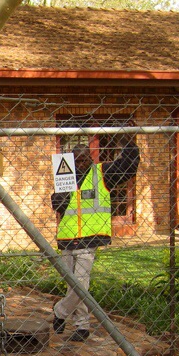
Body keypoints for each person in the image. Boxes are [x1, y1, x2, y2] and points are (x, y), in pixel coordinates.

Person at [50, 139, 140, 342]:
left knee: (80, 284)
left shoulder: (102, 173)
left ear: (91, 157)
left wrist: (129, 141)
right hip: (67, 238)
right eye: (76, 160)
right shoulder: (66, 177)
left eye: (83, 159)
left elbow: (127, 168)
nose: (80, 163)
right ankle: (82, 326)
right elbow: (58, 204)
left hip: (88, 240)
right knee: (72, 287)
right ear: (71, 161)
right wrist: (60, 197)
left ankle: (60, 312)